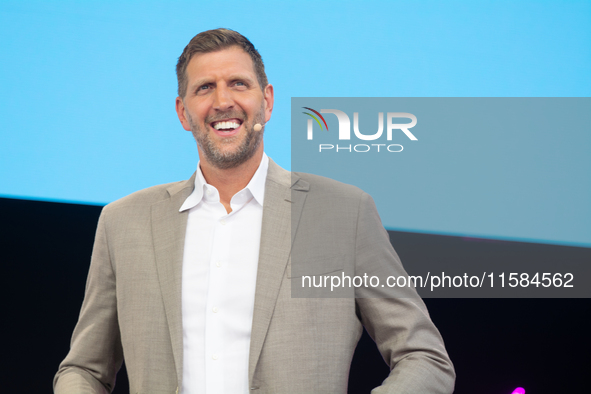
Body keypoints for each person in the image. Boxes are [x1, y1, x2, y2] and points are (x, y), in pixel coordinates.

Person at [54, 28, 455, 393]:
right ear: (182, 112)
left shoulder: (344, 213)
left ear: (267, 101)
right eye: (204, 88)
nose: (222, 101)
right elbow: (83, 370)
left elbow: (424, 358)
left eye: (238, 84)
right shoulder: (123, 222)